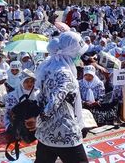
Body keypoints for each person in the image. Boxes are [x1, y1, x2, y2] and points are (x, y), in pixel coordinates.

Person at [25, 31, 89, 163]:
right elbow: (55, 102)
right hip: (65, 133)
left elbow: (40, 96)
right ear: (69, 51)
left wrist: (39, 122)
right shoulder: (64, 73)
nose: (79, 56)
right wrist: (38, 120)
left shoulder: (47, 67)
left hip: (45, 134)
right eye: (77, 53)